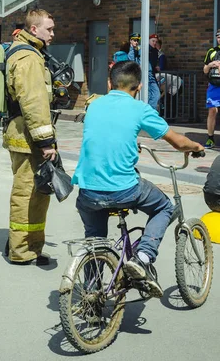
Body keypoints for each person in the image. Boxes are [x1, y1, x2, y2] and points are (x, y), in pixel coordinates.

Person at [72, 60, 204, 297]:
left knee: (95, 241)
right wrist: (195, 146)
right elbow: (177, 141)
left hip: (88, 190)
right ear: (139, 87)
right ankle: (143, 257)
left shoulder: (94, 105)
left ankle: (91, 296)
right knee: (164, 207)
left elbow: (106, 137)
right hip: (123, 189)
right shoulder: (140, 109)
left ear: (110, 83)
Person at [3, 9, 56, 265]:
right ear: (34, 29)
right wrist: (46, 142)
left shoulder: (27, 52)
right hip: (28, 137)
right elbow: (34, 103)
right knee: (27, 194)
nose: (53, 34)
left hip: (24, 134)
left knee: (36, 194)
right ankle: (21, 250)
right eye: (49, 29)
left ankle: (28, 246)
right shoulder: (28, 57)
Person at [203, 30, 220, 148]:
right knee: (212, 110)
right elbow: (204, 70)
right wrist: (210, 65)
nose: (219, 39)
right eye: (218, 37)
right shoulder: (211, 51)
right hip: (213, 85)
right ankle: (210, 138)